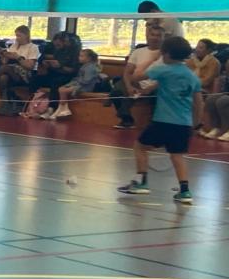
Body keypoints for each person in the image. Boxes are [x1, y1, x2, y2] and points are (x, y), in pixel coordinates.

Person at [118, 36, 201, 206]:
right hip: (183, 124)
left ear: (166, 53)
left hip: (163, 121)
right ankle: (185, 191)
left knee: (140, 146)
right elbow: (199, 103)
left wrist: (152, 59)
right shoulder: (192, 76)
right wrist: (196, 124)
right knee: (177, 155)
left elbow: (135, 77)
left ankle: (141, 182)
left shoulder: (162, 69)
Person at [112, 22, 163, 129]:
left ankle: (155, 124)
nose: (155, 38)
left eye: (158, 35)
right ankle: (126, 120)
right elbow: (127, 72)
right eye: (153, 35)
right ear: (147, 36)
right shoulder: (137, 52)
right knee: (117, 89)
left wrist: (149, 89)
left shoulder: (167, 55)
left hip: (157, 86)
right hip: (137, 83)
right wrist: (129, 86)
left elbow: (167, 77)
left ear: (163, 37)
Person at [51, 49, 105, 119]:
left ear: (89, 58)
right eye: (79, 56)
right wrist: (72, 83)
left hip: (86, 86)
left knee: (64, 91)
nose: (79, 58)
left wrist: (76, 82)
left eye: (82, 56)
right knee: (61, 89)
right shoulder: (84, 66)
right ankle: (63, 108)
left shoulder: (91, 67)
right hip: (80, 84)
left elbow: (86, 81)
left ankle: (63, 108)